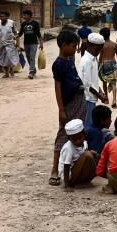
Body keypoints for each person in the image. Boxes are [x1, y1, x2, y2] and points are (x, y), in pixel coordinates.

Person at [49, 31, 86, 186]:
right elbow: (57, 87)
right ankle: (54, 170)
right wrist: (61, 109)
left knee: (78, 134)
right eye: (73, 46)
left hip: (79, 100)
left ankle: (75, 166)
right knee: (63, 133)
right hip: (69, 103)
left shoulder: (69, 59)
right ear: (64, 46)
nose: (76, 48)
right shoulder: (58, 64)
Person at [59, 119, 97, 191]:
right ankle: (73, 183)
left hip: (78, 172)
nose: (78, 141)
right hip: (69, 177)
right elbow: (66, 166)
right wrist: (66, 186)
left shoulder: (85, 143)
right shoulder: (68, 148)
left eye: (80, 138)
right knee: (87, 155)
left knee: (92, 155)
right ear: (69, 138)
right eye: (74, 139)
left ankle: (84, 180)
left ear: (84, 134)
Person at [81, 33, 108, 128]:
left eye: (100, 49)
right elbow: (87, 84)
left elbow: (94, 80)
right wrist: (100, 95)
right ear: (89, 45)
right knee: (88, 126)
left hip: (92, 97)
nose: (98, 51)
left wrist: (101, 92)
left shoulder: (94, 59)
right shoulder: (87, 61)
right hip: (88, 98)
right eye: (97, 49)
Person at [98, 27, 117, 108]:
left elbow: (100, 57)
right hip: (113, 63)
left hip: (104, 64)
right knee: (113, 83)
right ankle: (114, 100)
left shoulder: (102, 45)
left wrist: (98, 66)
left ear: (102, 35)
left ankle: (106, 98)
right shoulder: (115, 44)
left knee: (104, 82)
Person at [19, 9, 44, 79]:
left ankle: (31, 72)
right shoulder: (23, 24)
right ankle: (33, 69)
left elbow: (38, 34)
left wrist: (41, 44)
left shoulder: (35, 23)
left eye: (25, 15)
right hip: (26, 43)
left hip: (34, 43)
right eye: (23, 15)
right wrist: (15, 37)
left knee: (32, 56)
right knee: (28, 57)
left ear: (30, 16)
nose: (24, 16)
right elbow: (20, 33)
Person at [0, 11, 19, 78]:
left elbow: (16, 33)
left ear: (7, 17)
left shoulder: (11, 22)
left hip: (10, 44)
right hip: (2, 44)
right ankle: (6, 73)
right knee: (4, 59)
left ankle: (11, 70)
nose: (2, 18)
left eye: (3, 16)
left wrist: (18, 42)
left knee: (10, 58)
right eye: (1, 16)